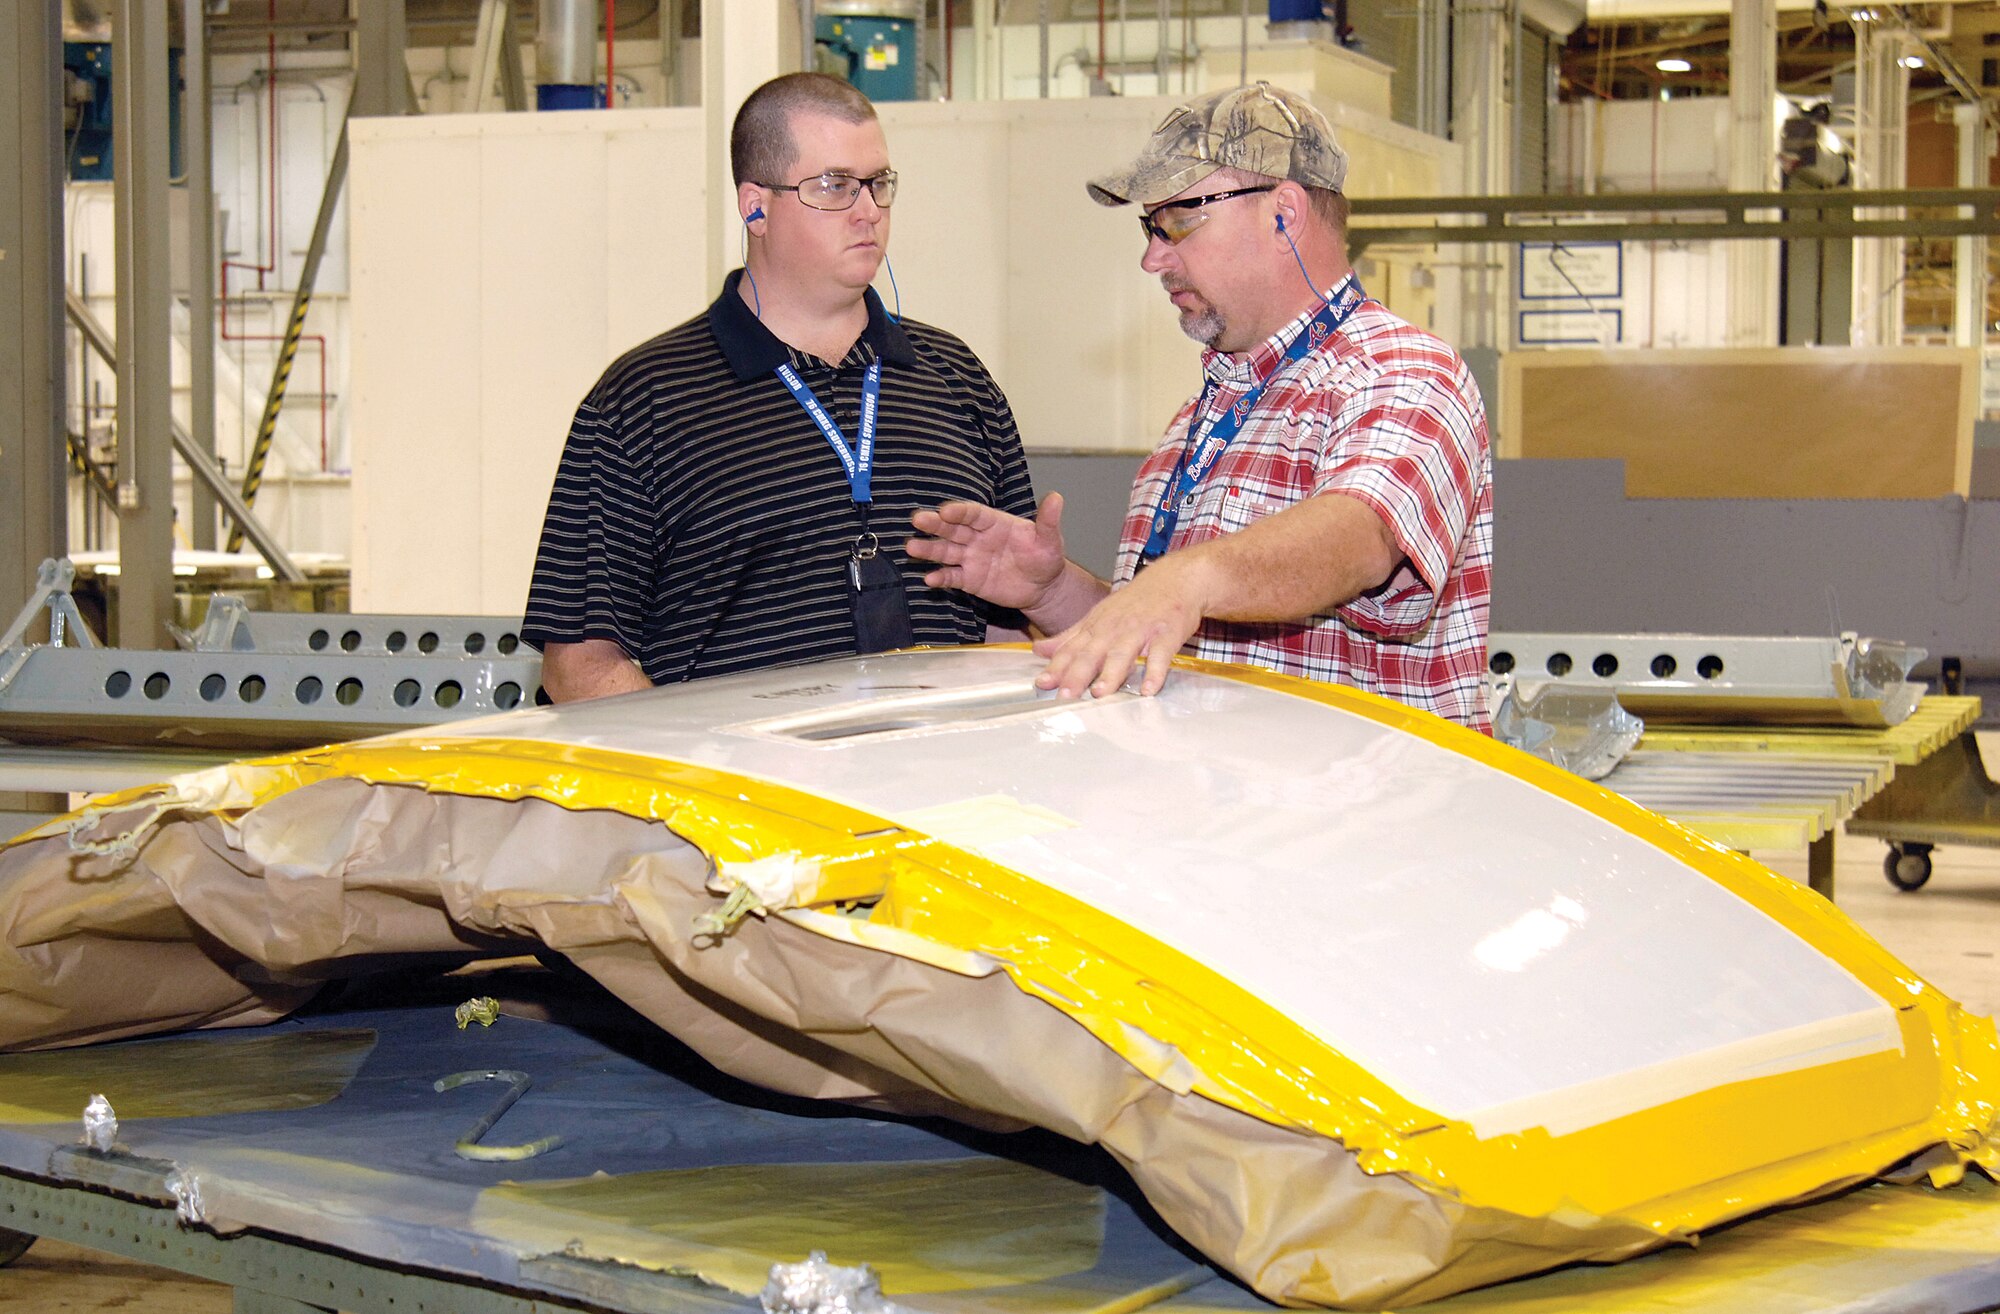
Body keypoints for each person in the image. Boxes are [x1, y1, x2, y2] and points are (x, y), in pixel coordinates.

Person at [908, 81, 1491, 729]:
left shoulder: (1402, 372)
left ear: (1284, 213)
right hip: (1218, 818)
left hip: (1357, 822)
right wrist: (1055, 592)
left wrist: (1184, 579)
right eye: (1148, 228)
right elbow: (1167, 646)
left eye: (1179, 221)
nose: (1153, 257)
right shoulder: (1199, 419)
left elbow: (1361, 535)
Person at [523, 73, 1036, 701]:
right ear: (754, 205)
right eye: (834, 187)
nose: (868, 210)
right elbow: (582, 667)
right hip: (738, 793)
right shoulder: (641, 402)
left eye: (879, 184)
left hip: (928, 790)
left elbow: (1013, 623)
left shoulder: (956, 379)